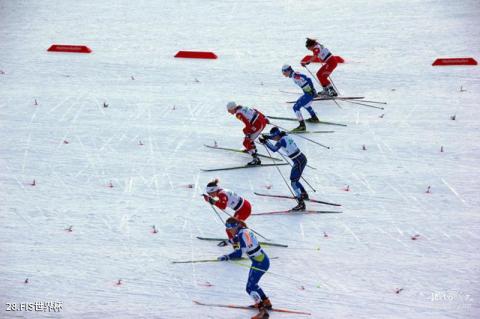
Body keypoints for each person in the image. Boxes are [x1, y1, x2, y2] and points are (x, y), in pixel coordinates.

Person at [218, 217, 272, 319]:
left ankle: (263, 311)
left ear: (235, 226)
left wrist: (227, 257)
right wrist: (227, 242)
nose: (230, 231)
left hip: (259, 263)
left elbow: (239, 253)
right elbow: (237, 238)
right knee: (253, 285)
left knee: (249, 287)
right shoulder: (244, 230)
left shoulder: (242, 234)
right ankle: (266, 302)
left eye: (230, 229)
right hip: (262, 260)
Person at [259, 127, 308, 211]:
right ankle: (304, 194)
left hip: (298, 161)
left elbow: (274, 149)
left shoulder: (281, 140)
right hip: (300, 159)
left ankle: (301, 204)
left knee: (293, 182)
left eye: (274, 137)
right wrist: (268, 137)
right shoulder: (284, 135)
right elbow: (276, 138)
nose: (274, 138)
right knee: (295, 179)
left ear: (277, 135)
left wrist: (266, 142)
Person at [203, 178, 252, 245]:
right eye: (208, 193)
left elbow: (223, 206)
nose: (210, 195)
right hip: (241, 208)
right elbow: (218, 200)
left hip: (244, 209)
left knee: (230, 229)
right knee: (234, 228)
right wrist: (211, 200)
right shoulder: (219, 191)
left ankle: (237, 245)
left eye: (210, 193)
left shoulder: (222, 194)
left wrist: (211, 201)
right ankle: (240, 240)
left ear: (214, 190)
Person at [226, 101, 269, 165]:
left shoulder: (238, 114)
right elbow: (255, 110)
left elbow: (247, 124)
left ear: (232, 108)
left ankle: (256, 159)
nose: (229, 112)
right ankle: (252, 147)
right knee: (245, 131)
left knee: (245, 142)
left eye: (229, 110)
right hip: (261, 120)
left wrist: (248, 134)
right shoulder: (242, 107)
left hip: (258, 125)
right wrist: (264, 118)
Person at [281, 64, 320, 132]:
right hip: (308, 93)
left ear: (288, 70)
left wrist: (313, 90)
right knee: (306, 104)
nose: (284, 75)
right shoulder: (294, 75)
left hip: (309, 94)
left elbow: (308, 79)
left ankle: (302, 126)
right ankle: (314, 118)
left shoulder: (295, 75)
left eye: (284, 73)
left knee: (296, 107)